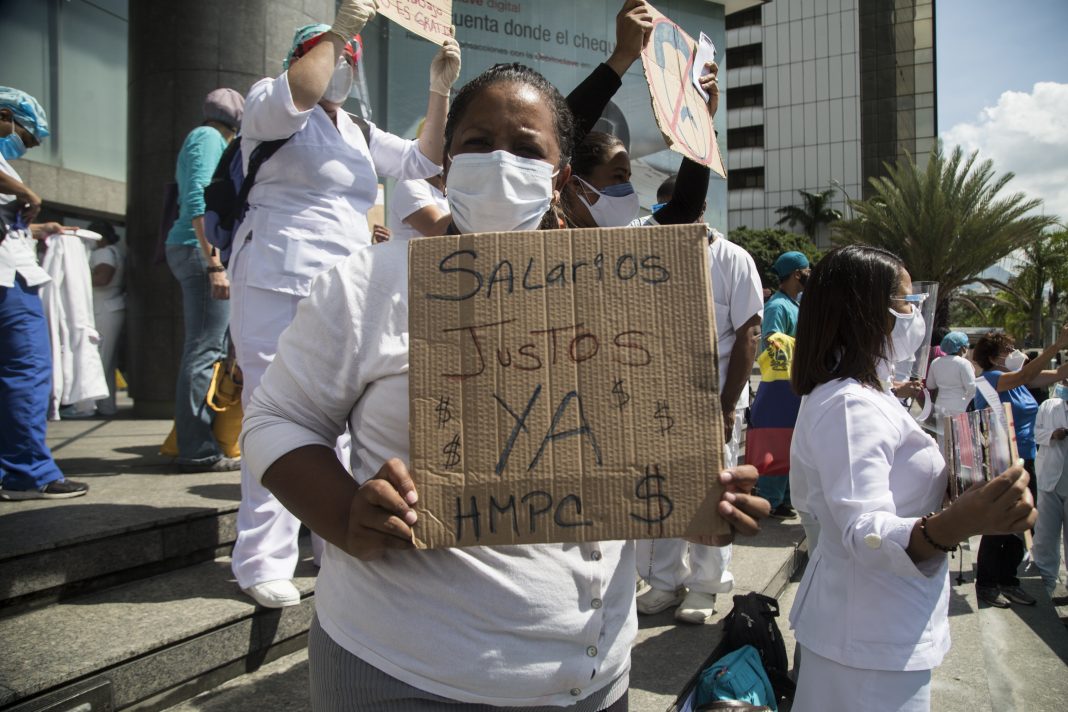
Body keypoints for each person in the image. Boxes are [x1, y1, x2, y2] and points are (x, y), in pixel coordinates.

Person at [241, 62, 770, 710]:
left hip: (600, 682)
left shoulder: (625, 294)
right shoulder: (373, 284)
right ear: (444, 165)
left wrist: (691, 497)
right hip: (408, 679)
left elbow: (624, 455)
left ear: (561, 177)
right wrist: (342, 513)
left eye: (525, 148)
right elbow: (275, 419)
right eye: (475, 144)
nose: (499, 162)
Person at [228, 0, 461, 609]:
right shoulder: (269, 106)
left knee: (338, 423)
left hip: (345, 286)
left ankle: (328, 537)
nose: (343, 64)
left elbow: (423, 161)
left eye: (350, 55)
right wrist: (339, 29)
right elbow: (301, 90)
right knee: (274, 414)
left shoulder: (355, 130)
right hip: (278, 276)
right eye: (335, 53)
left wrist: (438, 92)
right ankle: (261, 557)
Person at [788, 245, 1036, 712]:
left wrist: (959, 484)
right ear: (864, 312)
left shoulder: (867, 393)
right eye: (905, 303)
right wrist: (959, 521)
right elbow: (866, 533)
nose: (914, 315)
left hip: (880, 628)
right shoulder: (849, 405)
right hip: (865, 641)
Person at [0, 86, 89, 500]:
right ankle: (28, 473)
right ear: (4, 115)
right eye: (26, 136)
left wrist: (38, 228)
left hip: (13, 269)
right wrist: (25, 192)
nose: (26, 146)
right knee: (26, 373)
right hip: (9, 282)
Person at [165, 87, 245, 473]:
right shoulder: (209, 138)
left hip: (193, 249)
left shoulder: (204, 138)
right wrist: (214, 262)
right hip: (198, 251)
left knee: (204, 346)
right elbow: (201, 200)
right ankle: (197, 449)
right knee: (204, 348)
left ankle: (196, 442)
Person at [971, 327, 1068, 607]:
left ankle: (1008, 580)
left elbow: (1059, 374)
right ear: (992, 357)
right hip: (1003, 461)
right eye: (1007, 351)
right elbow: (1025, 375)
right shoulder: (992, 379)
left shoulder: (1018, 382)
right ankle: (988, 583)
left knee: (1022, 522)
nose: (1014, 354)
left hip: (1026, 458)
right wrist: (1056, 344)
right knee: (999, 524)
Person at [755, 250, 809, 521]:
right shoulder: (778, 306)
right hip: (779, 387)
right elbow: (771, 340)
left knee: (791, 445)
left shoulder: (794, 304)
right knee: (776, 444)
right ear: (798, 273)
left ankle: (784, 497)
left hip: (792, 386)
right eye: (807, 270)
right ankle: (769, 499)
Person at [1033, 381, 1068, 594]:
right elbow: (1035, 433)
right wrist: (1052, 435)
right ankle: (1047, 582)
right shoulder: (1048, 406)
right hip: (1049, 480)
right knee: (1046, 535)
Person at [89, 220, 125, 417]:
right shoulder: (115, 251)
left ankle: (88, 406)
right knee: (107, 362)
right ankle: (106, 406)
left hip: (104, 309)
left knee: (98, 360)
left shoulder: (103, 253)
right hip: (111, 307)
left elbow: (102, 278)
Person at [925, 330, 975, 438]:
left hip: (940, 406)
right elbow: (972, 388)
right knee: (960, 440)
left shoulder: (936, 362)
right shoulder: (964, 363)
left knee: (943, 439)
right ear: (962, 348)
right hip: (960, 407)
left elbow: (930, 385)